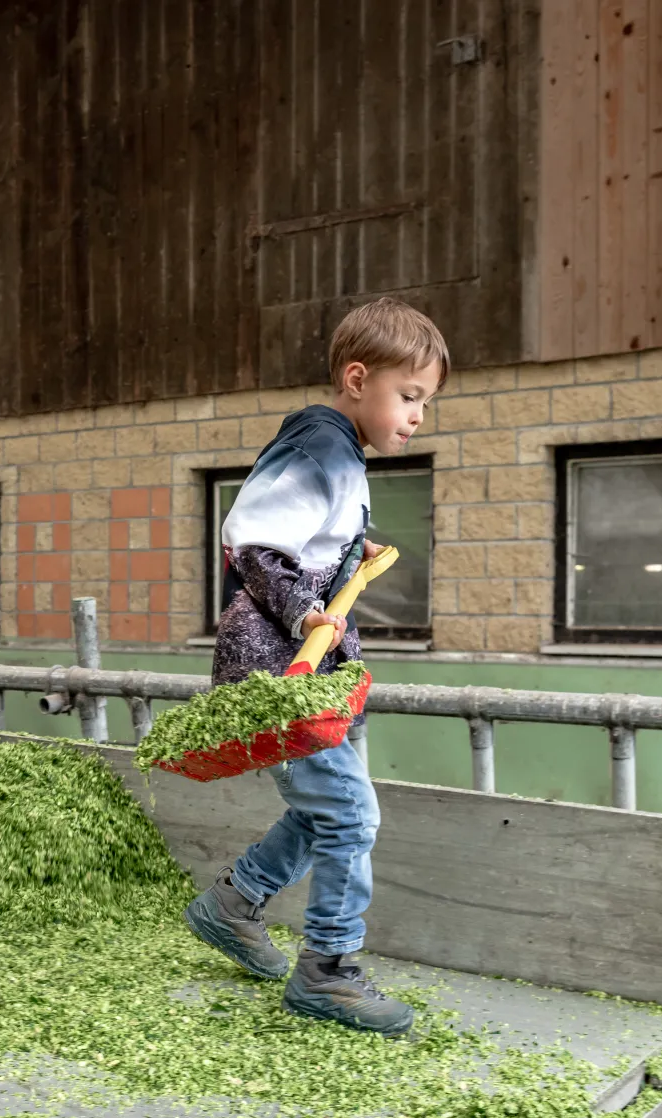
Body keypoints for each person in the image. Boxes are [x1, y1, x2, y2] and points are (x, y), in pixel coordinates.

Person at [183, 297, 448, 1037]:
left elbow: (302, 541)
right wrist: (306, 611)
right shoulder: (321, 444)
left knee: (323, 809)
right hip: (282, 673)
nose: (419, 415)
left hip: (313, 674)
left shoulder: (342, 452)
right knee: (354, 814)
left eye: (425, 402)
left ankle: (233, 904)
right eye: (410, 396)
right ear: (358, 379)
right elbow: (255, 544)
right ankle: (327, 970)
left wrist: (342, 557)